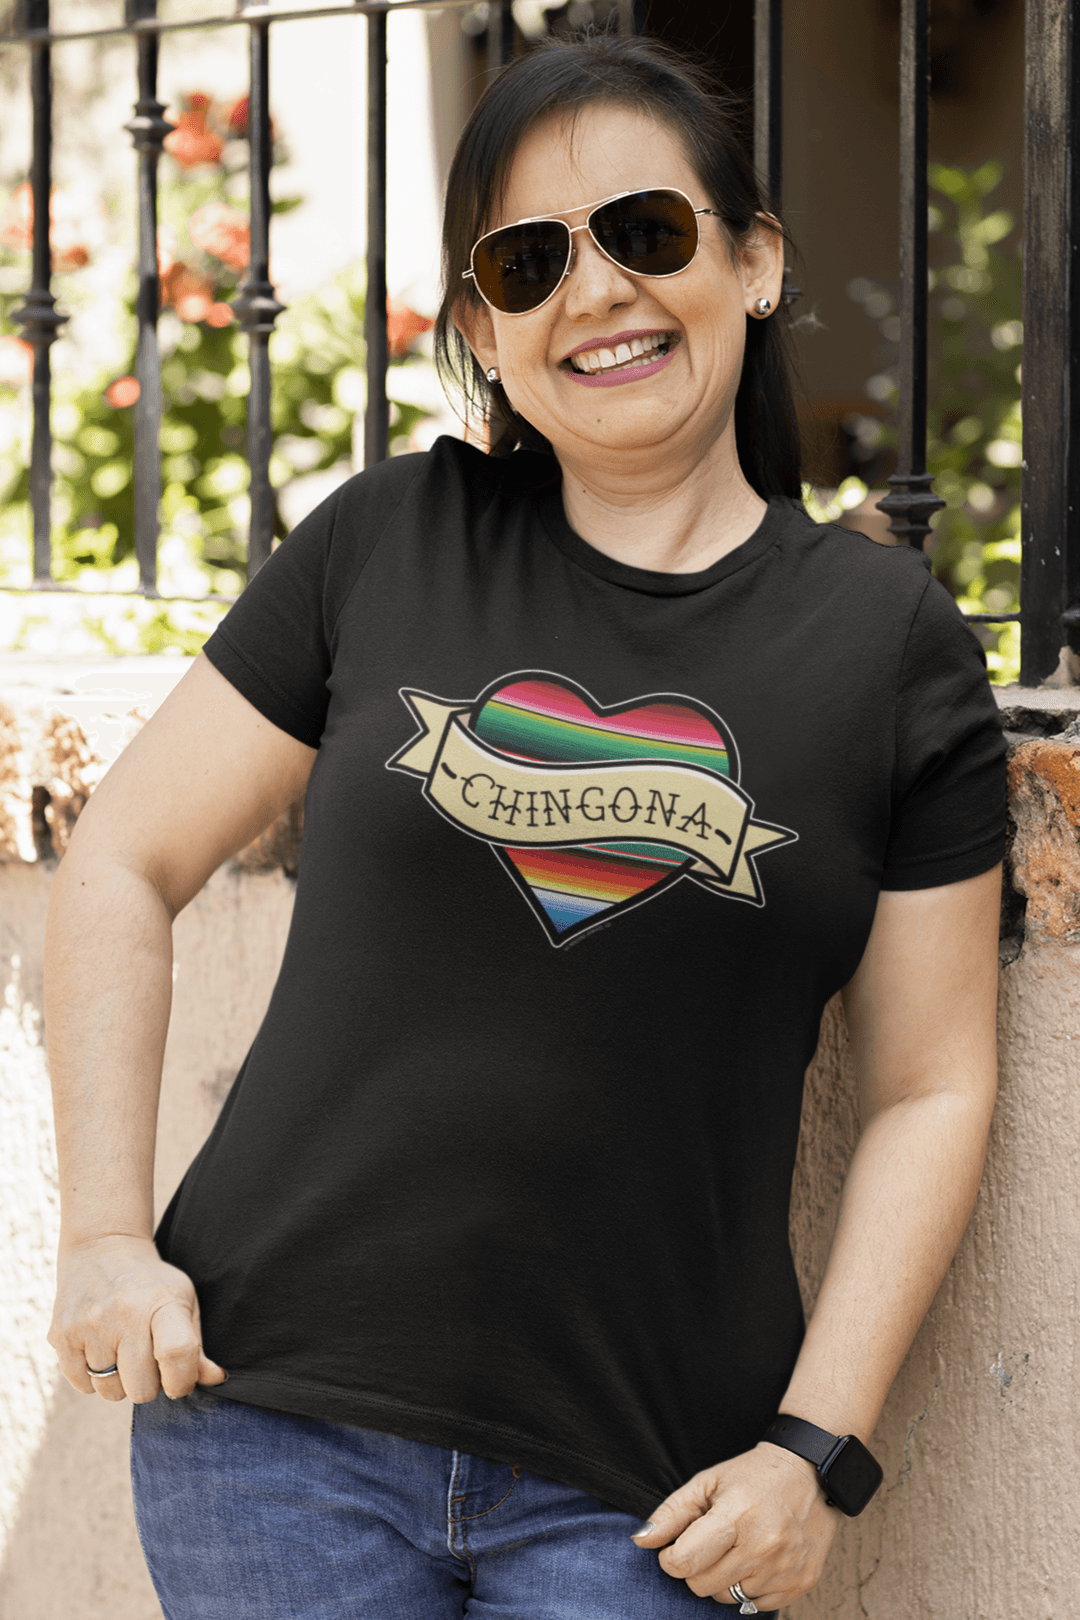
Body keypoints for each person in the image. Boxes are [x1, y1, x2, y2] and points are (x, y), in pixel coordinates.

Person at [45, 32, 1005, 1619]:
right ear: (484, 329)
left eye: (646, 232)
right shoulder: (387, 542)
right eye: (527, 259)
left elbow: (932, 1085)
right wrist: (99, 1239)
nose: (597, 291)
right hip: (272, 1433)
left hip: (648, 1497)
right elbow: (123, 861)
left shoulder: (884, 641)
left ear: (754, 263)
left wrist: (817, 1451)